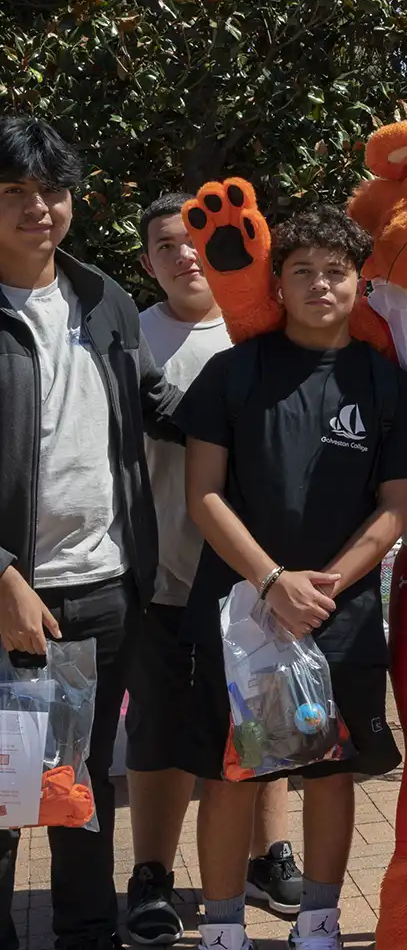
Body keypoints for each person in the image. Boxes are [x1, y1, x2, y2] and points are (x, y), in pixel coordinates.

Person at [174, 205, 407, 950]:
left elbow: (397, 506)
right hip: (237, 612)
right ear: (277, 282)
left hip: (336, 615)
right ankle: (222, 927)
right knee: (229, 774)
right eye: (303, 270)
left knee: (329, 770)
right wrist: (273, 580)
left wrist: (325, 586)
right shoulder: (234, 372)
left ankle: (319, 919)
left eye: (336, 271)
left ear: (359, 283)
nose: (321, 284)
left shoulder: (387, 386)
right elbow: (203, 494)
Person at [0, 116, 182, 950]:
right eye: (14, 194)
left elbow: (148, 402)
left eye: (52, 191)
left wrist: (254, 411)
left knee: (77, 785)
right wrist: (4, 578)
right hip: (11, 596)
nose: (38, 209)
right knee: (3, 793)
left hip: (104, 586)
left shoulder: (101, 294)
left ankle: (85, 932)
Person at [124, 194, 302, 944]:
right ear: (147, 262)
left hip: (253, 572)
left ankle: (272, 857)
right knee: (159, 732)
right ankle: (152, 874)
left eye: (195, 239)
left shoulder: (258, 323)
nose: (184, 255)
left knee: (263, 721)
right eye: (166, 245)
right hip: (160, 567)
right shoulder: (127, 334)